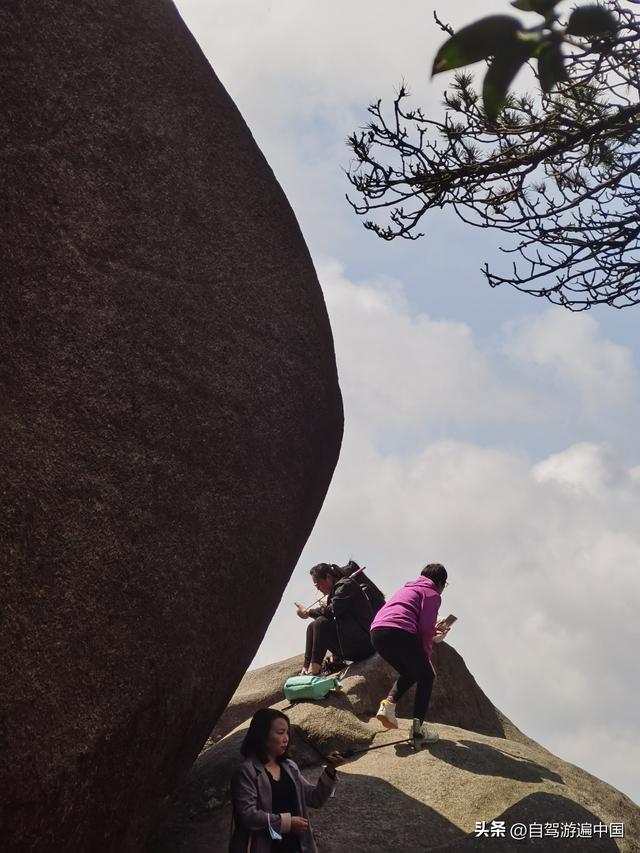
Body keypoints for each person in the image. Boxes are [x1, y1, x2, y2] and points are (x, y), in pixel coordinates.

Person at [229, 708, 344, 852]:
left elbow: (314, 798)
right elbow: (247, 815)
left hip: (294, 846)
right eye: (280, 733)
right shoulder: (246, 771)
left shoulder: (289, 767)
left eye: (287, 733)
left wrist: (330, 769)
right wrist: (286, 823)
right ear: (262, 735)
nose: (286, 738)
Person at [370, 563, 450, 745]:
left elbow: (411, 617)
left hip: (377, 632)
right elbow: (424, 629)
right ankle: (417, 732)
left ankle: (388, 705)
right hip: (400, 632)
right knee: (427, 676)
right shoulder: (432, 593)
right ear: (441, 583)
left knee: (410, 672)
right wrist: (427, 652)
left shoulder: (407, 588)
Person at [296, 563, 376, 675]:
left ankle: (314, 671)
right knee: (312, 625)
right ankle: (306, 668)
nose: (319, 590)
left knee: (321, 623)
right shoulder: (335, 591)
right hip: (352, 643)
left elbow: (330, 611)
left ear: (328, 577)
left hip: (364, 644)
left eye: (318, 586)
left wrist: (308, 612)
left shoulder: (345, 585)